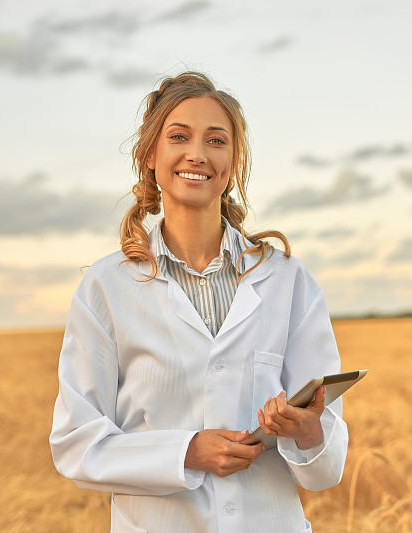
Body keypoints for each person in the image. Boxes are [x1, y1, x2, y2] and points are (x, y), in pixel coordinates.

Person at [49, 71, 348, 533]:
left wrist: (308, 432)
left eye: (216, 140)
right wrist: (186, 452)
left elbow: (326, 471)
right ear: (151, 154)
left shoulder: (288, 281)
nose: (198, 154)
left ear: (233, 161)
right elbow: (76, 443)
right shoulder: (106, 287)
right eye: (179, 137)